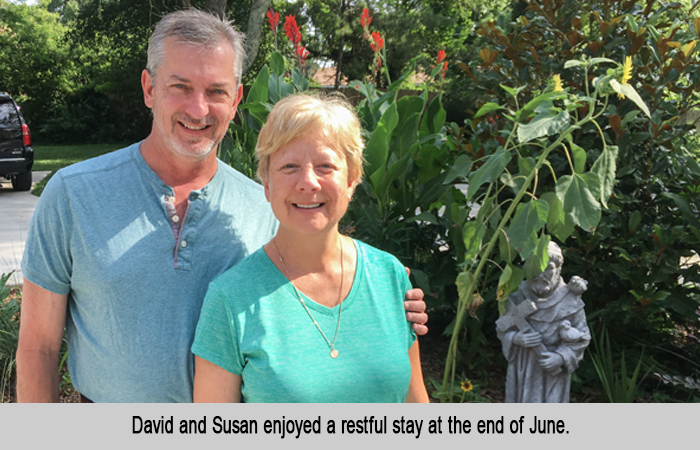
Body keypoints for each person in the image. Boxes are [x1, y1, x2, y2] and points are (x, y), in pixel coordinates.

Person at [16, 9, 427, 403]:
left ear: (236, 100)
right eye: (180, 87)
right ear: (149, 88)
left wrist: (388, 294)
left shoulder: (269, 205)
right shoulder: (74, 194)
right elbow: (38, 347)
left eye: (216, 91)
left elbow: (321, 281)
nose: (198, 109)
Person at [191, 93, 430, 402]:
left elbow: (415, 401)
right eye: (289, 166)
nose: (308, 182)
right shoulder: (231, 299)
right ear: (266, 183)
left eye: (325, 165)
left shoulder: (390, 276)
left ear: (352, 180)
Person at [495, 241, 590, 403]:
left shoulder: (570, 300)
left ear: (558, 270)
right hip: (523, 365)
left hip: (552, 370)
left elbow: (582, 337)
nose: (540, 273)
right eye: (535, 266)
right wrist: (515, 338)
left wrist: (560, 357)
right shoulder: (517, 295)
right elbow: (503, 326)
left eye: (547, 268)